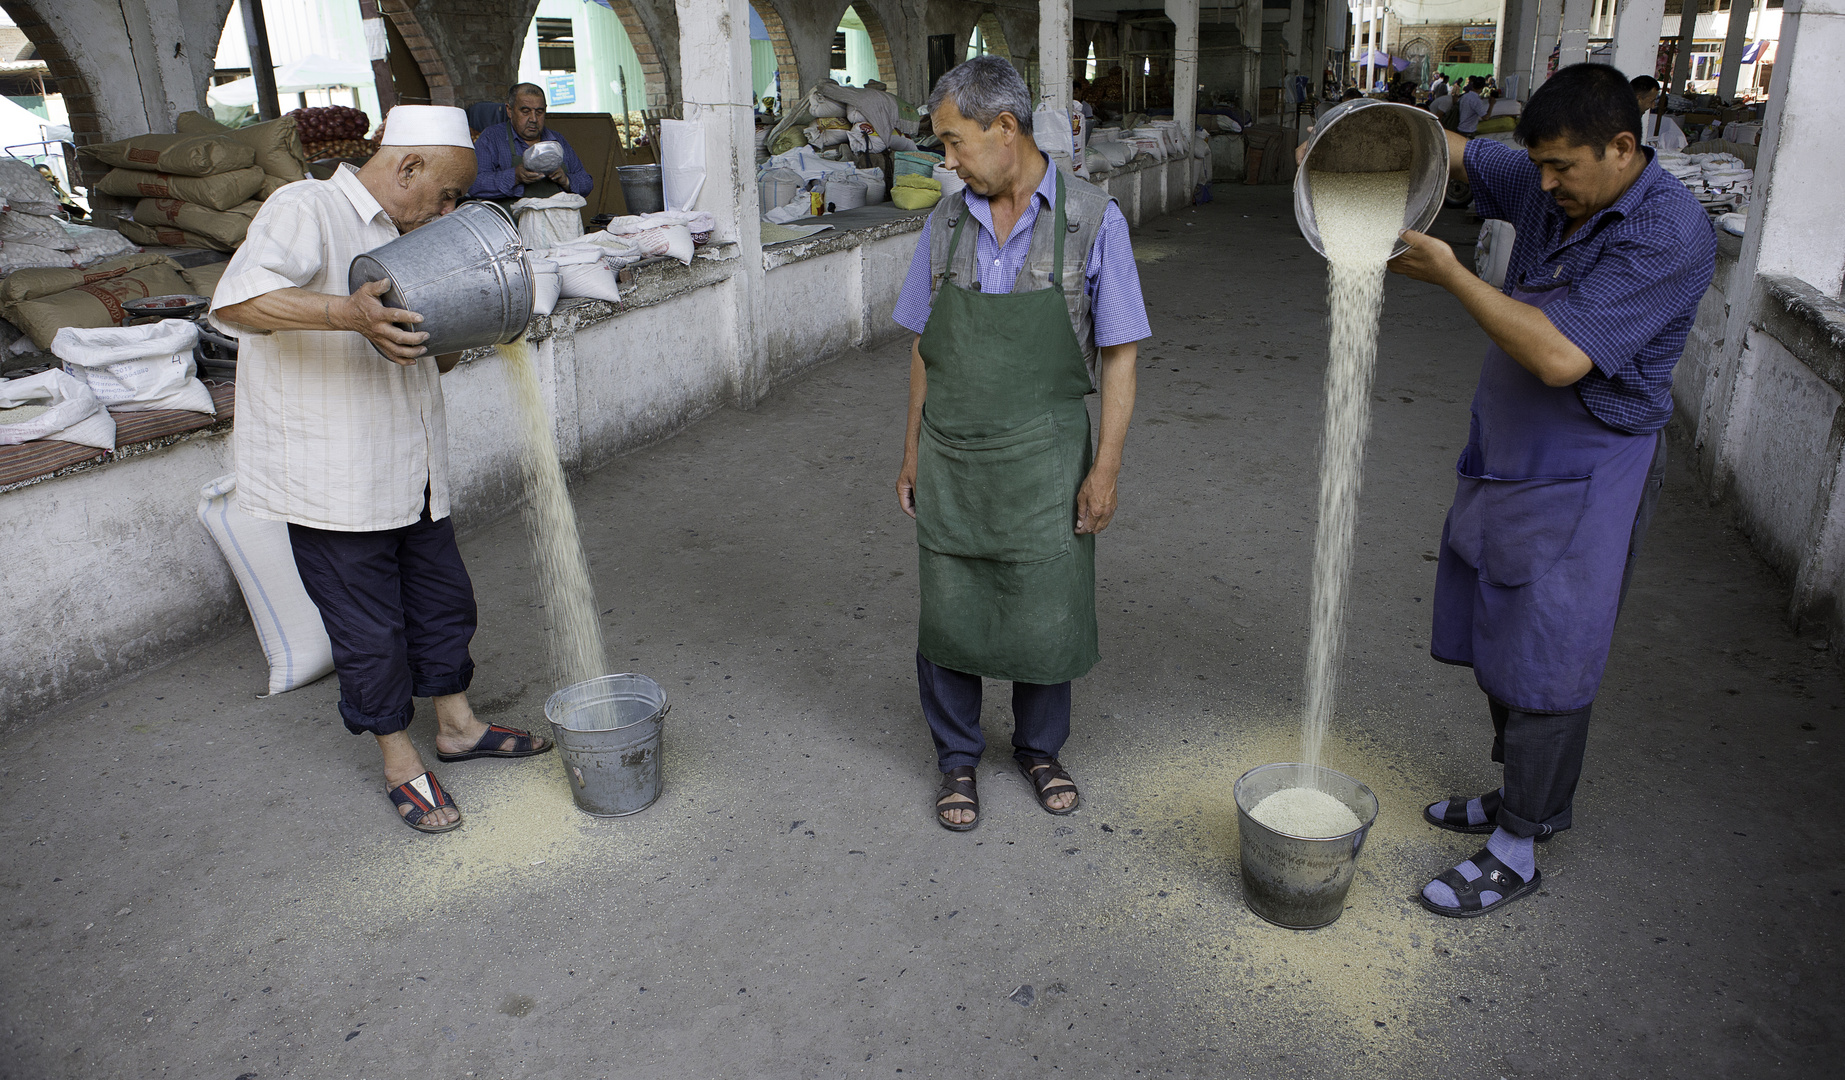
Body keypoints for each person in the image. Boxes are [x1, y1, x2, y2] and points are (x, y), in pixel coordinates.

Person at [1385, 64, 1715, 917]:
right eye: (1536, 165)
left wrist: (1456, 276)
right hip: (1510, 452)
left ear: (1621, 147)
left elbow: (1561, 357)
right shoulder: (1547, 180)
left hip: (1592, 458)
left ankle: (1519, 846)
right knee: (1495, 633)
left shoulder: (1667, 233)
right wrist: (1361, 133)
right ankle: (1519, 800)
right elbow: (1452, 153)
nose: (1543, 184)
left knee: (1547, 656)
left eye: (1562, 168)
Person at [211, 105, 554, 835]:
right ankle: (400, 760)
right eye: (447, 194)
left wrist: (461, 319)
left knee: (441, 602)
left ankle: (457, 726)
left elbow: (437, 349)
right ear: (407, 168)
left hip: (412, 465)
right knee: (368, 629)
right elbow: (236, 301)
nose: (449, 209)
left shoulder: (411, 235)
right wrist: (347, 314)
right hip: (334, 477)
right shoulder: (308, 207)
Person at [890, 56, 1148, 831]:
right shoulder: (943, 224)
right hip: (953, 450)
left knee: (1046, 600)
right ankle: (956, 755)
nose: (947, 160)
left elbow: (1121, 352)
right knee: (951, 603)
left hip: (1044, 454)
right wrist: (909, 452)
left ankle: (1039, 749)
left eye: (953, 142)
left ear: (1004, 128)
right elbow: (922, 348)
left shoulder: (1092, 221)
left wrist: (1104, 469)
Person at [468, 83, 594, 205]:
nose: (533, 119)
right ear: (509, 111)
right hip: (511, 225)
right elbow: (473, 186)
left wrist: (566, 180)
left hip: (555, 223)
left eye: (539, 112)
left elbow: (586, 183)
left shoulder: (557, 140)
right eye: (525, 111)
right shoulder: (492, 138)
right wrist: (515, 177)